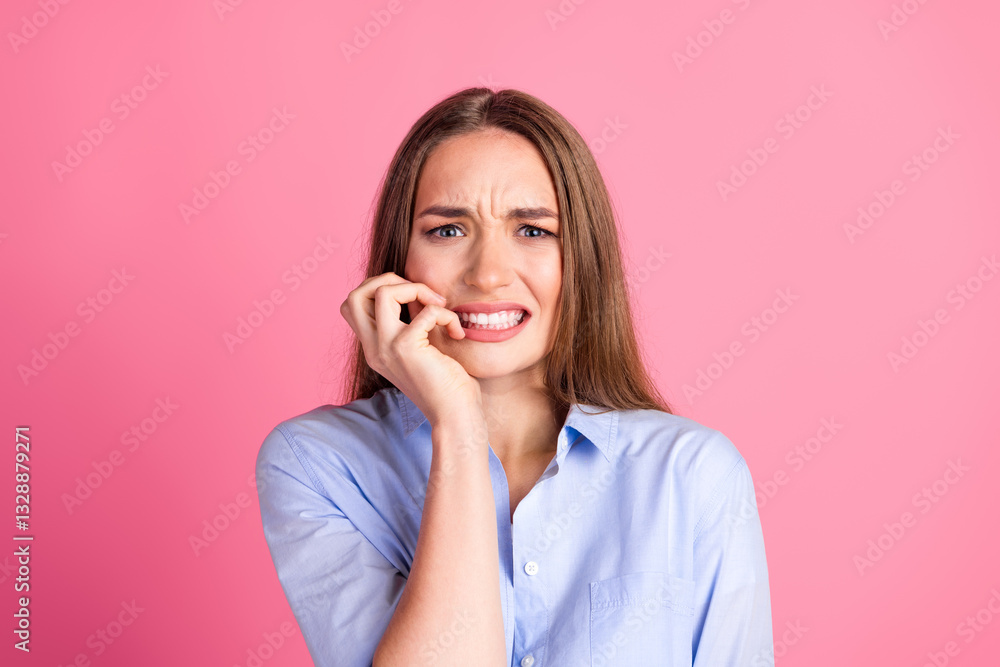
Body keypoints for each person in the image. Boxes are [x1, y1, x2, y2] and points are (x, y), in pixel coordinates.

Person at [255, 87, 773, 666]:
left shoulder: (691, 474)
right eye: (448, 230)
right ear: (399, 259)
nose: (489, 275)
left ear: (581, 259)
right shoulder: (318, 463)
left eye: (532, 230)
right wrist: (457, 424)